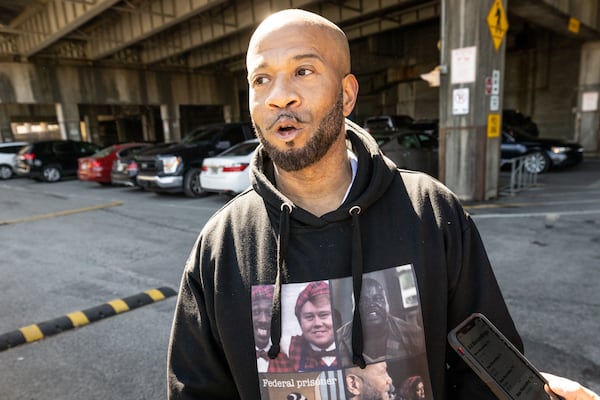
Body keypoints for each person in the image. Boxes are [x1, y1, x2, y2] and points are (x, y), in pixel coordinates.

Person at [166, 8, 593, 400]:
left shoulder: (431, 212)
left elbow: (486, 373)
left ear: (347, 94)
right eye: (261, 79)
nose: (281, 96)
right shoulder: (221, 245)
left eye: (303, 70)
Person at [337, 278, 424, 366]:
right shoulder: (337, 340)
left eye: (378, 298)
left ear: (387, 303)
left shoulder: (412, 334)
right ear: (352, 308)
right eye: (362, 301)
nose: (371, 305)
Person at [287, 281, 337, 371]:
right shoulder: (290, 349)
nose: (317, 323)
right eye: (309, 317)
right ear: (300, 322)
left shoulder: (349, 345)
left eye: (323, 315)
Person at [252, 285, 290, 372]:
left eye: (269, 313)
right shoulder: (236, 355)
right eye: (256, 312)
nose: (263, 320)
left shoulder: (285, 361)